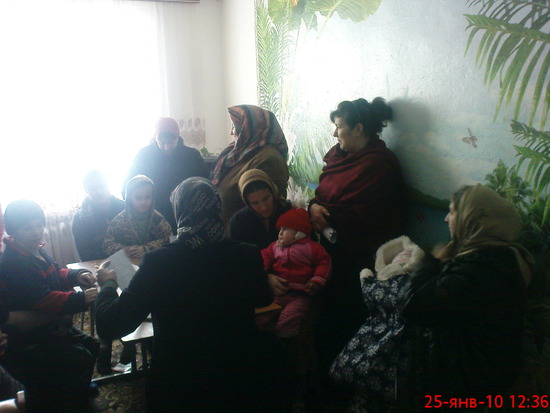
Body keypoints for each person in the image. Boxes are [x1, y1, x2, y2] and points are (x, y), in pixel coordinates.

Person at [95, 177, 275, 412]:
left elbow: (110, 325)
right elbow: (264, 299)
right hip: (237, 379)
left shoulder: (159, 262)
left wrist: (108, 284)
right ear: (217, 208)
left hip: (178, 385)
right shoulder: (246, 254)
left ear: (179, 211)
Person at [402, 184, 533, 406]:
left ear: (471, 219)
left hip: (464, 385)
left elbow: (413, 307)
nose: (446, 218)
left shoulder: (473, 274)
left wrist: (432, 261)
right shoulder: (507, 255)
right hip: (492, 375)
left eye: (452, 211)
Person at [309, 97, 405, 378]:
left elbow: (373, 215)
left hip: (359, 260)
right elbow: (322, 195)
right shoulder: (339, 158)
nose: (334, 134)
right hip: (331, 254)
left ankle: (342, 384)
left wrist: (329, 217)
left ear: (358, 128)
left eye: (339, 127)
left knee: (346, 322)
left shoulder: (379, 165)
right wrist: (313, 207)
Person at [0, 200, 99, 412]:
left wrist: (76, 276)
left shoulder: (35, 249)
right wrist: (79, 300)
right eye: (28, 228)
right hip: (31, 335)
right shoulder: (16, 262)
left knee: (92, 345)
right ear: (13, 232)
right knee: (79, 356)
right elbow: (42, 300)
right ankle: (72, 401)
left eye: (39, 225)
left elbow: (55, 271)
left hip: (49, 324)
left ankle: (78, 388)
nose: (36, 232)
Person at [330, 235, 424, 412]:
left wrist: (366, 279)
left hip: (375, 333)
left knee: (362, 375)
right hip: (402, 343)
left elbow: (370, 292)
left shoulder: (383, 285)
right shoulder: (417, 286)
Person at [124, 117, 208, 233]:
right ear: (155, 139)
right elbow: (128, 184)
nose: (167, 147)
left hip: (184, 213)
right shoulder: (143, 156)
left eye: (171, 142)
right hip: (151, 214)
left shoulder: (192, 156)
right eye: (162, 142)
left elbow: (204, 184)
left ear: (178, 138)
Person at [258, 208, 331, 338]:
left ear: (299, 232)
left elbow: (324, 262)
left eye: (285, 229)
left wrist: (317, 280)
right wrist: (263, 269)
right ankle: (260, 333)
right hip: (278, 293)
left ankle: (283, 340)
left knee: (289, 318)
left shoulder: (312, 248)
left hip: (300, 295)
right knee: (262, 314)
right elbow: (264, 254)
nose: (280, 233)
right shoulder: (275, 246)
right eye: (280, 229)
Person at [211, 105, 289, 225]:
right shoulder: (240, 151)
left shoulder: (269, 159)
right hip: (231, 228)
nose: (231, 132)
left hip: (248, 232)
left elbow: (272, 211)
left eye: (235, 126)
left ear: (250, 128)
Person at [103, 174, 172, 259]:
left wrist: (146, 249)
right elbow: (107, 244)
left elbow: (170, 240)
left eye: (147, 197)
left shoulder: (158, 219)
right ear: (129, 198)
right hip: (128, 263)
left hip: (154, 261)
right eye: (138, 198)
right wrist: (126, 250)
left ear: (153, 198)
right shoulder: (120, 220)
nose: (143, 202)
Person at [228, 168, 292, 250]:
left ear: (273, 192)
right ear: (247, 203)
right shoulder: (238, 223)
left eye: (266, 199)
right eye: (255, 203)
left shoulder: (289, 211)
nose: (263, 208)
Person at [72, 170, 125, 262]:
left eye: (102, 186)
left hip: (128, 259)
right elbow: (85, 254)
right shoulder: (79, 219)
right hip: (97, 264)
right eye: (93, 188)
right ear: (86, 191)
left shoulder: (125, 208)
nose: (99, 192)